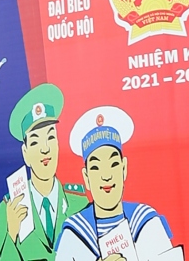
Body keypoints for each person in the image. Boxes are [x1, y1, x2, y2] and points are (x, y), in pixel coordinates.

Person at [55, 106, 175, 261]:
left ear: (124, 168)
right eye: (96, 168)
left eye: (113, 164)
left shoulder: (147, 222)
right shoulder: (74, 234)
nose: (106, 176)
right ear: (86, 177)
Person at [0, 83, 89, 261]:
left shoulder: (79, 203)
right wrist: (11, 235)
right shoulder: (9, 208)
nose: (45, 149)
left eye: (50, 137)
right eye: (35, 142)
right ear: (25, 153)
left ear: (58, 145)